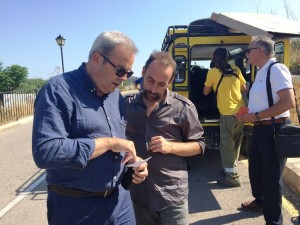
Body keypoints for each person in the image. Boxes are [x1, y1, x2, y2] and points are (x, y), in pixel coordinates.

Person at [32, 30, 148, 225]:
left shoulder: (115, 95)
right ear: (97, 58)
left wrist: (134, 165)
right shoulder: (57, 91)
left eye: (128, 73)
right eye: (120, 70)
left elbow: (119, 144)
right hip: (77, 210)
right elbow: (46, 152)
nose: (124, 78)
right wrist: (109, 143)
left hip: (120, 203)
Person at [125, 51, 205, 225]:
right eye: (150, 80)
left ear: (170, 82)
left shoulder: (183, 107)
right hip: (139, 196)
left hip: (172, 197)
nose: (153, 89)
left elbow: (200, 145)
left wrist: (171, 147)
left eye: (161, 84)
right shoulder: (126, 106)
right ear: (144, 71)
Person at [236, 35, 295, 225]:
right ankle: (261, 202)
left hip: (273, 130)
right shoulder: (262, 71)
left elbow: (288, 102)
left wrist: (256, 116)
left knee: (271, 180)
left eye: (249, 50)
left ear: (261, 51)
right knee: (256, 171)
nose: (246, 54)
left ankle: (274, 221)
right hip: (260, 129)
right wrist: (249, 114)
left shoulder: (276, 69)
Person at [203, 47, 247, 187]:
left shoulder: (212, 72)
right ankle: (232, 169)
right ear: (227, 58)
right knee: (235, 143)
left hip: (227, 113)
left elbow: (205, 92)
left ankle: (232, 177)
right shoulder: (236, 70)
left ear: (214, 59)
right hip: (242, 112)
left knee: (226, 145)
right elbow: (244, 88)